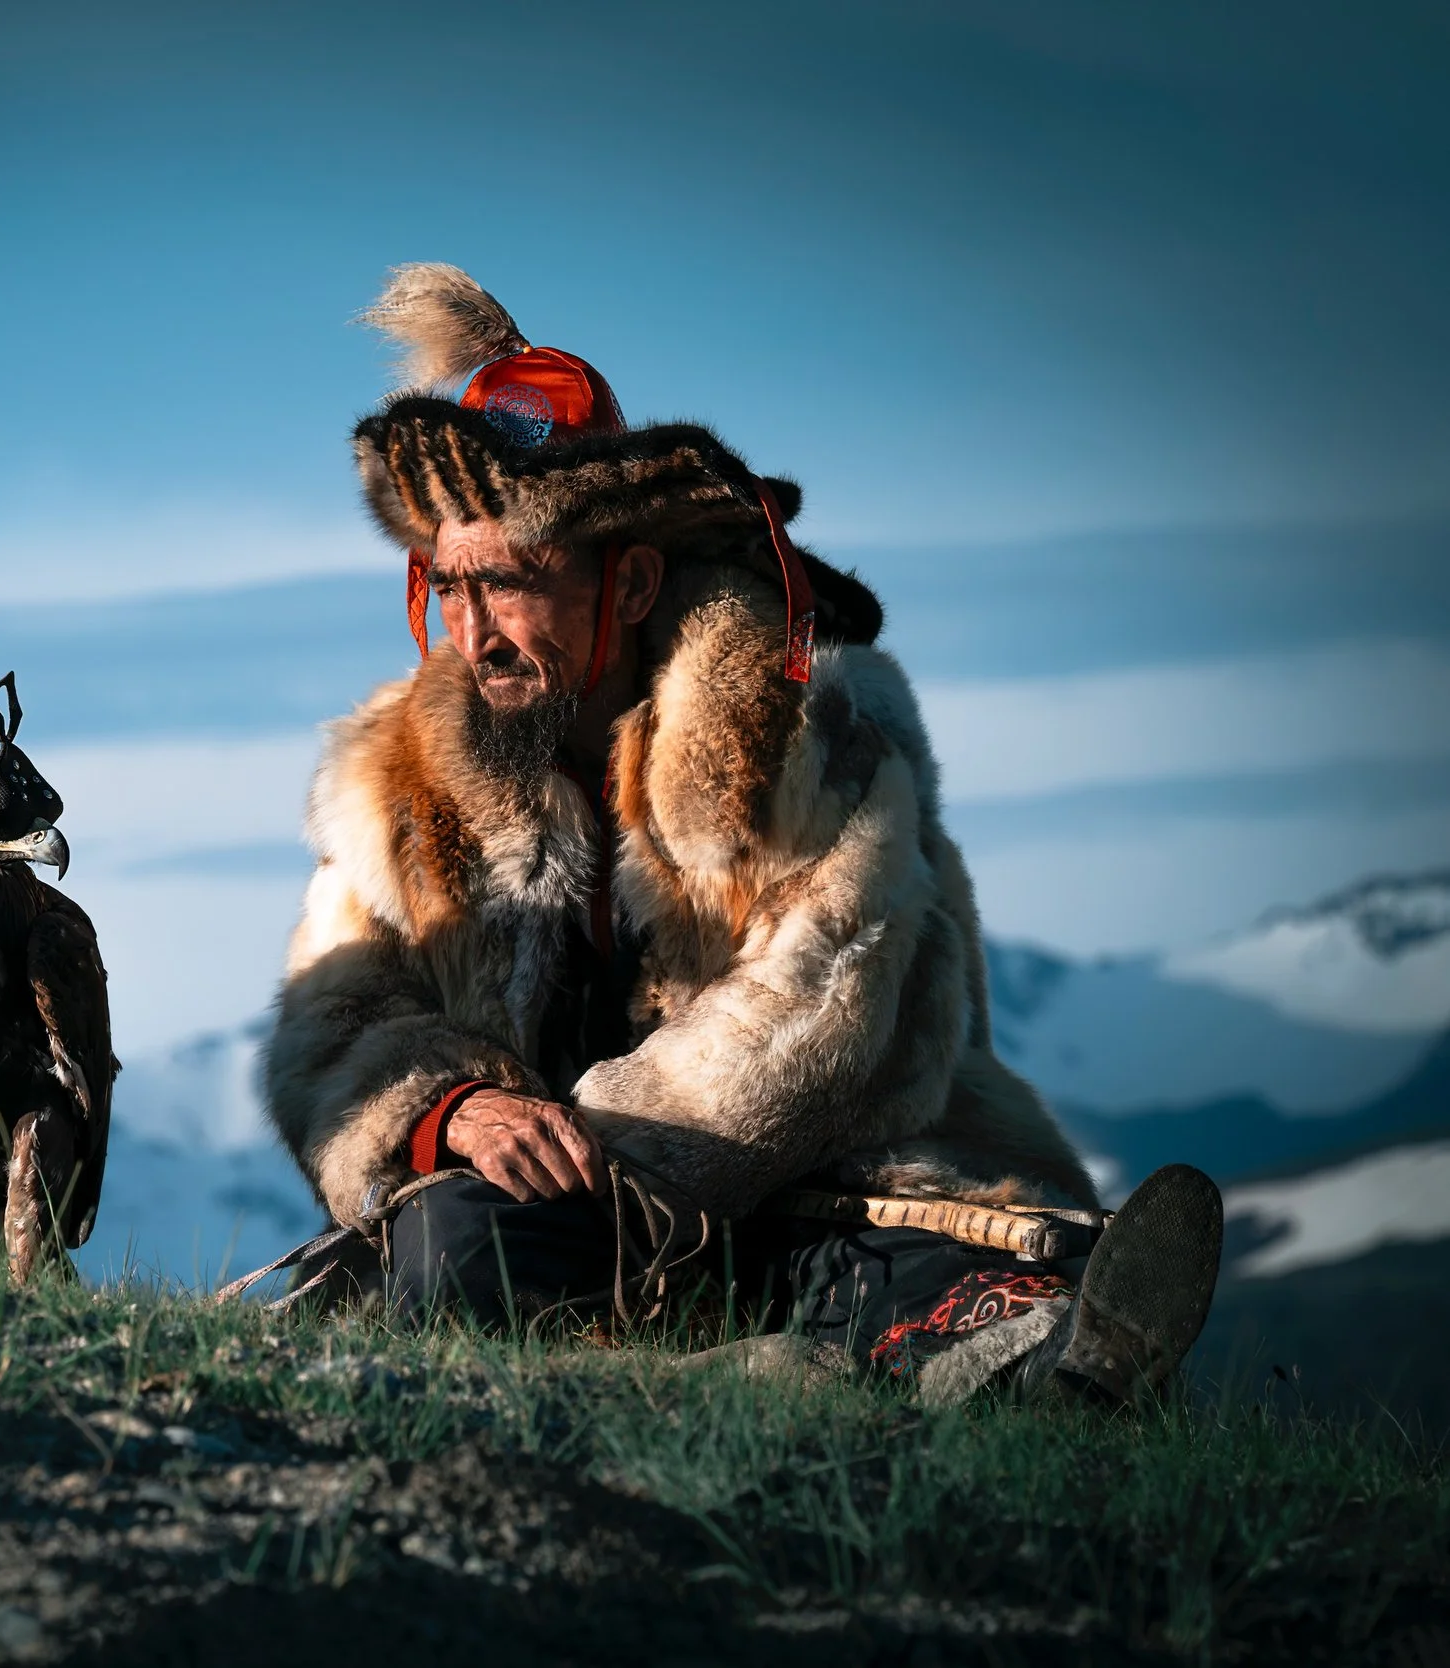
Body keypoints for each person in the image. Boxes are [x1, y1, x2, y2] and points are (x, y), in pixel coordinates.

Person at [258, 265, 1221, 1403]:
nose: (476, 633)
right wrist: (451, 1111)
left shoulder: (802, 722)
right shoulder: (395, 780)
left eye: (512, 586)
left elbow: (826, 998)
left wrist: (589, 1146)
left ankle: (1046, 1360)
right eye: (449, 588)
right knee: (457, 1248)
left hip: (831, 1169)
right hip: (555, 1211)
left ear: (630, 580)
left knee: (933, 1267)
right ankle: (756, 1374)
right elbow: (334, 1020)